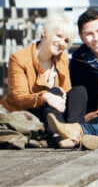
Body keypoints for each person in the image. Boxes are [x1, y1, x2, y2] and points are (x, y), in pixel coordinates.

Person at [0, 14, 87, 148]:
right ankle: (63, 136)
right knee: (54, 91)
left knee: (79, 91)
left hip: (54, 112)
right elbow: (19, 98)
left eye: (66, 40)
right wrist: (45, 96)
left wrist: (62, 97)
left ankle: (74, 134)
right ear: (44, 32)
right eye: (58, 36)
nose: (62, 43)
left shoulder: (62, 57)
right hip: (28, 110)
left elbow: (67, 89)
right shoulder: (19, 58)